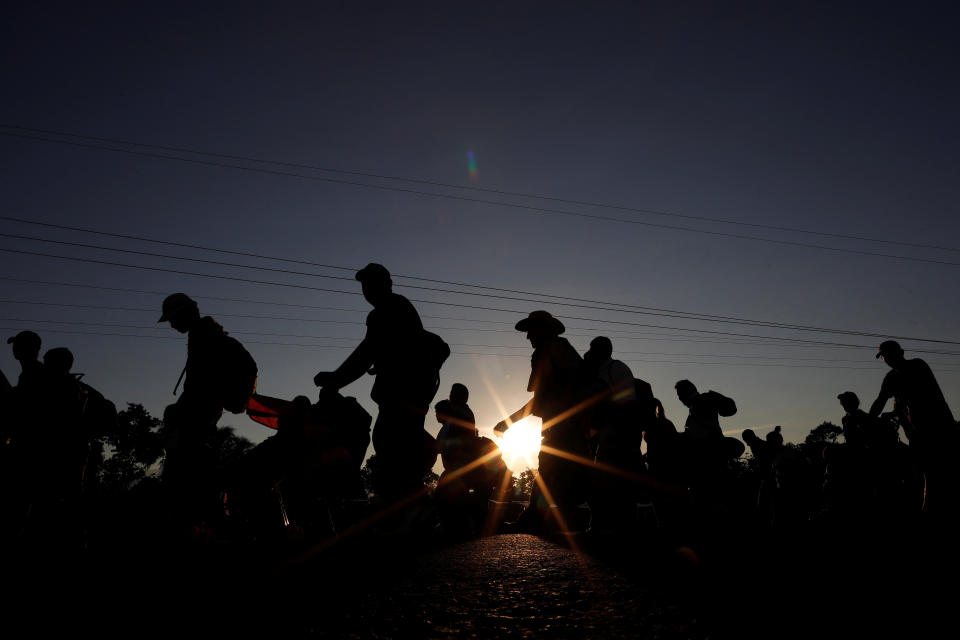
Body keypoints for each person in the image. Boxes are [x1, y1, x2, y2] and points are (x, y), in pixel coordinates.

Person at [313, 264, 447, 506]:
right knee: (399, 452)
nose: (366, 289)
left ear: (386, 284)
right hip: (410, 399)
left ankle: (409, 514)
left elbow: (366, 352)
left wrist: (336, 379)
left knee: (391, 450)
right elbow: (379, 352)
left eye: (371, 283)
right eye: (364, 285)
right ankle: (412, 512)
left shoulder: (386, 310)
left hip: (400, 399)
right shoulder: (400, 308)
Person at [159, 293, 252, 533]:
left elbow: (203, 386)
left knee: (191, 485)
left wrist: (234, 399)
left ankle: (210, 533)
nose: (171, 324)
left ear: (184, 313)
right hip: (198, 419)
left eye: (172, 318)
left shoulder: (206, 336)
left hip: (197, 423)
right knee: (197, 482)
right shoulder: (203, 335)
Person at [495, 310, 589, 532]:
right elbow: (540, 399)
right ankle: (547, 519)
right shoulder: (552, 351)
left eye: (531, 332)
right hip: (563, 423)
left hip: (566, 424)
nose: (528, 337)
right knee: (563, 472)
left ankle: (535, 519)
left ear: (543, 331)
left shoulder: (554, 350)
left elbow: (571, 386)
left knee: (555, 469)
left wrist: (510, 421)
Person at [868, 340, 958, 518]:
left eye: (888, 354)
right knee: (926, 469)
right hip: (915, 433)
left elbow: (918, 396)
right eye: (884, 356)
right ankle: (926, 506)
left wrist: (893, 410)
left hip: (938, 427)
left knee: (937, 469)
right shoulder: (891, 378)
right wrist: (873, 418)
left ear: (900, 352)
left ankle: (930, 507)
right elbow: (880, 401)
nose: (886, 359)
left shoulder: (917, 366)